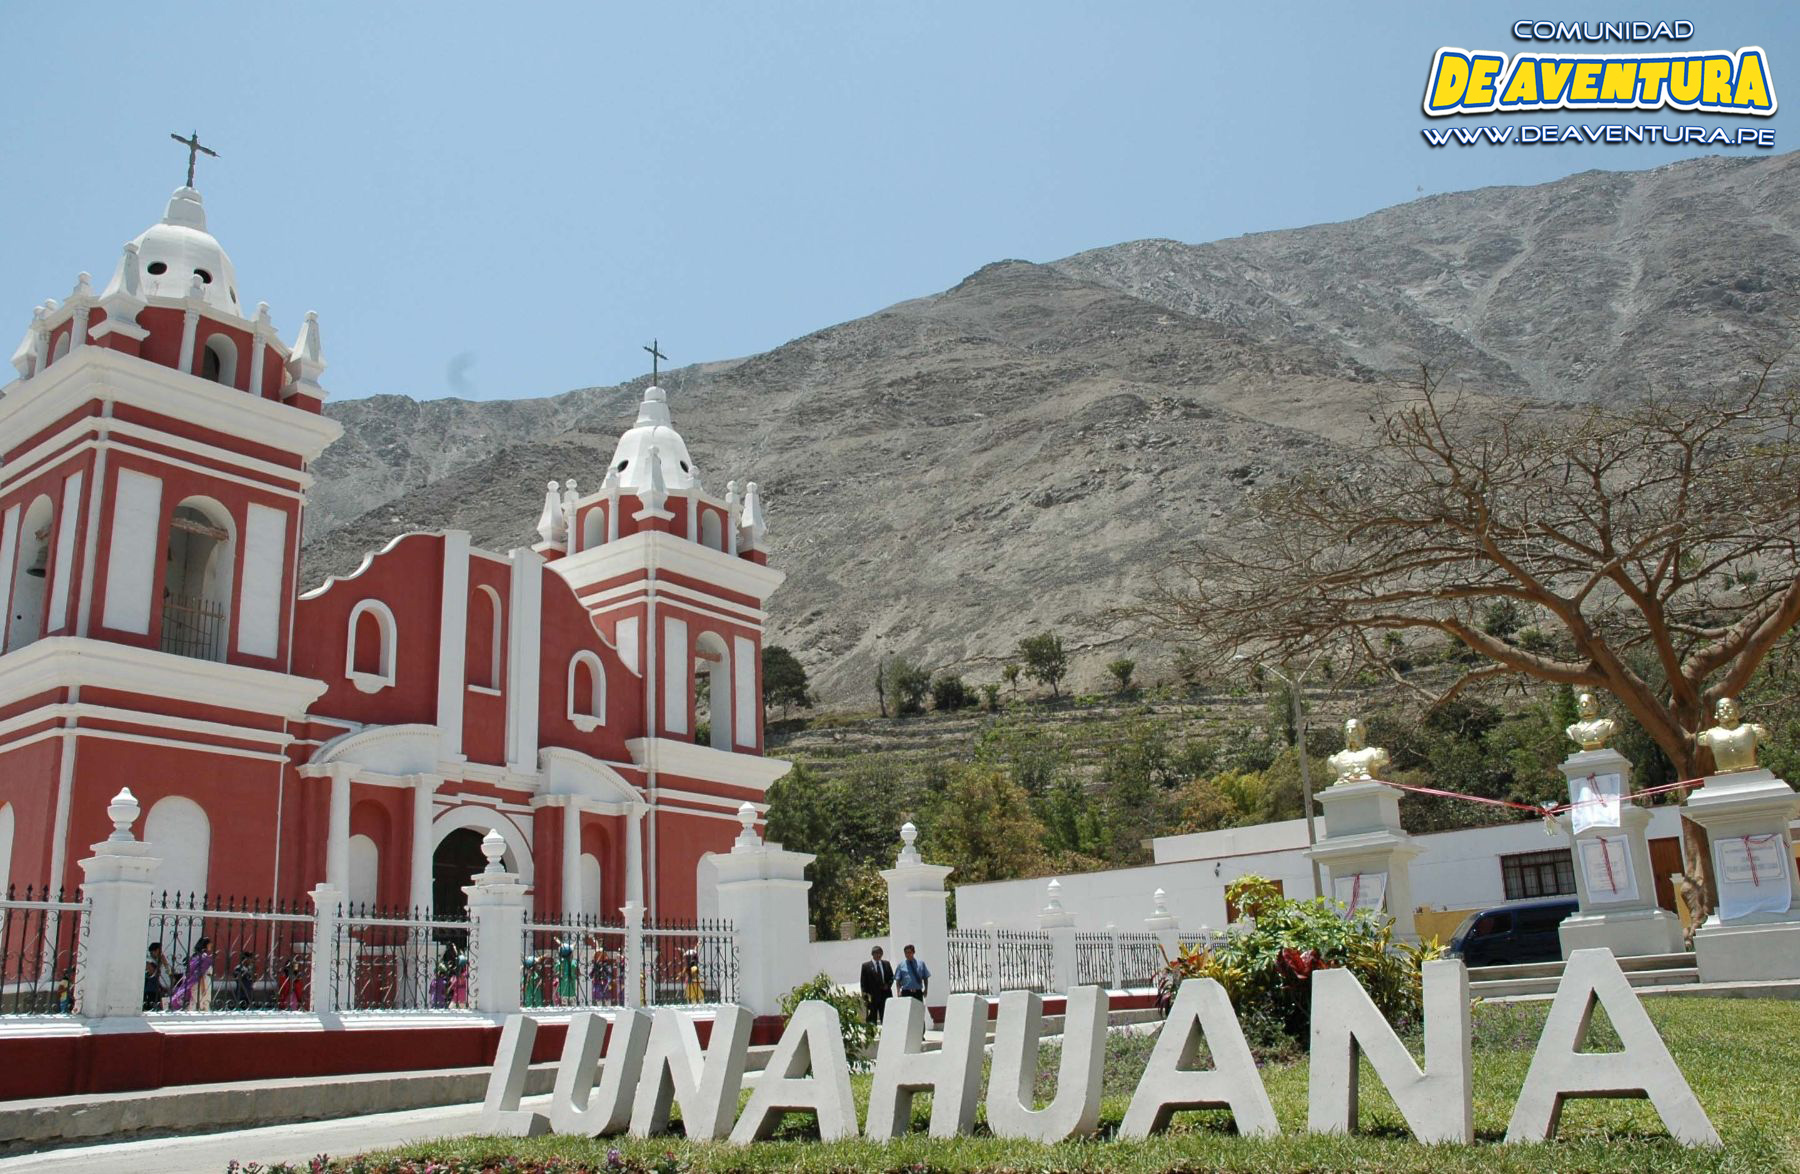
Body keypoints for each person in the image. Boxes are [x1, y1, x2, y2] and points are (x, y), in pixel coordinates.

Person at [168, 937, 214, 1011]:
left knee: (195, 1002)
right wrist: (203, 988)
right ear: (205, 945)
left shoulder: (196, 956)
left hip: (197, 982)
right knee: (202, 1002)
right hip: (202, 983)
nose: (211, 945)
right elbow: (201, 973)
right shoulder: (203, 957)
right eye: (209, 943)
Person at [859, 945, 894, 1024]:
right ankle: (871, 1035)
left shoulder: (886, 964)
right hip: (872, 997)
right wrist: (865, 996)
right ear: (872, 954)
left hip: (885, 996)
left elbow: (892, 977)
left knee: (886, 1018)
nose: (878, 955)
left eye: (880, 953)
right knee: (872, 1019)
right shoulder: (866, 966)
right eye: (876, 953)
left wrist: (888, 985)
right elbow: (863, 983)